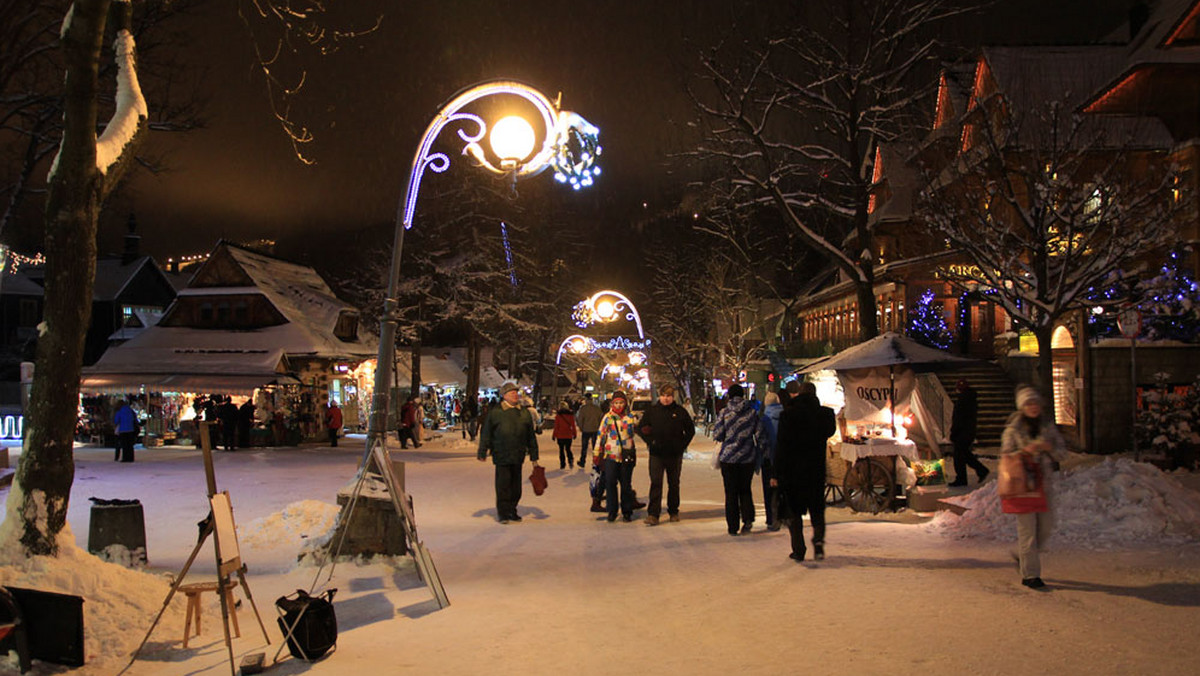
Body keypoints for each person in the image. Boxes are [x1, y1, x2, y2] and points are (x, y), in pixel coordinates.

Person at [1001, 386, 1066, 589]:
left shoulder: (1047, 426)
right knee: (1028, 532)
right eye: (1028, 403)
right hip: (1022, 485)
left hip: (1043, 485)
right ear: (1022, 406)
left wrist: (1050, 448)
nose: (1033, 407)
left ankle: (1024, 557)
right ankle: (1030, 575)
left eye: (1035, 403)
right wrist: (1025, 451)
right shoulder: (1014, 429)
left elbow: (1062, 453)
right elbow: (1005, 455)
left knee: (1045, 529)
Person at [773, 381, 837, 562]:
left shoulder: (788, 415)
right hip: (815, 469)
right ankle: (818, 541)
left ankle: (798, 549)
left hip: (793, 471)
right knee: (817, 509)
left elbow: (782, 446)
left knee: (794, 511)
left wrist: (776, 472)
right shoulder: (825, 414)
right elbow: (830, 431)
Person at [477, 382, 540, 524]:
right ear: (504, 396)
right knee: (503, 485)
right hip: (501, 454)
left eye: (516, 392)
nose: (515, 395)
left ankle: (512, 509)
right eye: (512, 393)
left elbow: (530, 435)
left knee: (516, 486)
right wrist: (483, 451)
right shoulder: (496, 413)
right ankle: (503, 512)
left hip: (518, 454)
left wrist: (534, 454)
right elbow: (486, 433)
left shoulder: (524, 412)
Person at [636, 384, 695, 525]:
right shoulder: (652, 411)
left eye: (668, 395)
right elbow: (640, 428)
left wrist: (681, 445)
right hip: (656, 454)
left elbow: (690, 430)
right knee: (656, 483)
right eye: (663, 395)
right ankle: (653, 514)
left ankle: (673, 511)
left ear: (672, 396)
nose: (666, 398)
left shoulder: (680, 411)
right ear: (659, 396)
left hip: (674, 454)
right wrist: (651, 442)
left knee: (673, 483)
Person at [712, 383, 766, 535]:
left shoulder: (724, 413)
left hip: (728, 458)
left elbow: (717, 434)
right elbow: (760, 434)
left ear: (729, 395)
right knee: (745, 490)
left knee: (730, 492)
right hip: (747, 458)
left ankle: (732, 526)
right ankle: (748, 520)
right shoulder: (752, 413)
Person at [595, 390, 640, 522]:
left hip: (626, 454)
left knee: (626, 484)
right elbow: (601, 435)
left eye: (621, 402)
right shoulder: (608, 418)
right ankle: (612, 510)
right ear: (612, 403)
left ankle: (627, 510)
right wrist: (597, 453)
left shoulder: (630, 417)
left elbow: (633, 433)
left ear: (625, 403)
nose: (619, 405)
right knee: (610, 483)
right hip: (611, 455)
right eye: (616, 403)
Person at [949, 379, 990, 487]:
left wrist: (954, 432)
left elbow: (958, 418)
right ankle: (981, 470)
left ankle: (962, 478)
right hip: (968, 431)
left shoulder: (963, 400)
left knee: (959, 456)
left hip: (962, 432)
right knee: (965, 454)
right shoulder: (971, 399)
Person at [760, 389, 785, 531]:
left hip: (768, 459)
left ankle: (771, 518)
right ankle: (783, 516)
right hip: (783, 458)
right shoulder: (786, 415)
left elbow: (762, 440)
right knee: (782, 488)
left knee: (768, 490)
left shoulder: (764, 419)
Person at [576, 394, 603, 469]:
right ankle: (596, 461)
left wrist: (581, 427)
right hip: (595, 429)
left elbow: (580, 419)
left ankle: (582, 461)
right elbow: (601, 418)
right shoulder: (597, 408)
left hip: (586, 430)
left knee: (584, 447)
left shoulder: (583, 408)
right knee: (595, 447)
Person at [552, 403, 578, 469]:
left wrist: (554, 435)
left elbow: (556, 427)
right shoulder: (570, 415)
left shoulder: (558, 416)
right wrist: (574, 434)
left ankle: (562, 464)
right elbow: (573, 426)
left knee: (561, 450)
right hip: (568, 435)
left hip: (560, 435)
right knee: (568, 449)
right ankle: (570, 460)